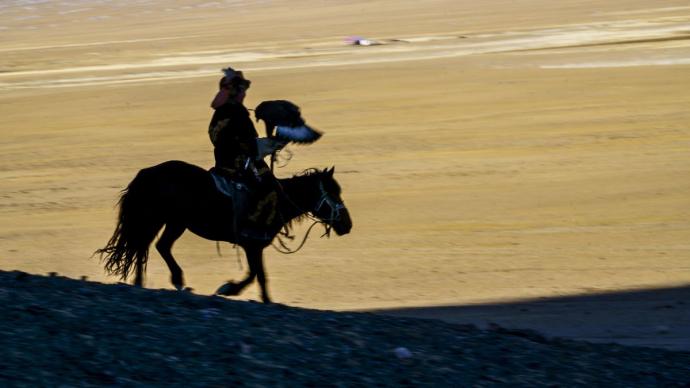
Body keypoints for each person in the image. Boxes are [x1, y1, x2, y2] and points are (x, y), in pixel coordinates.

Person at [208, 67, 284, 242]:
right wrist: (274, 144)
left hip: (223, 161)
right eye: (242, 91)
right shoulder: (238, 114)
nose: (244, 94)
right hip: (238, 164)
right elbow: (250, 144)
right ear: (236, 93)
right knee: (269, 188)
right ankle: (252, 228)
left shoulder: (221, 112)